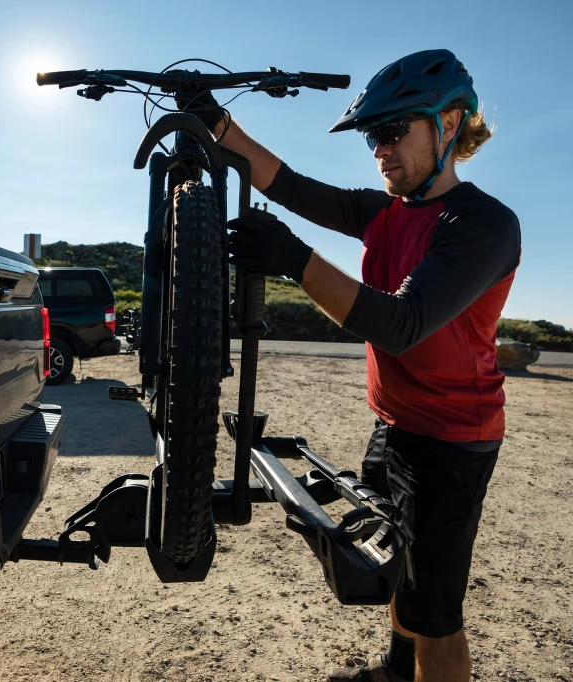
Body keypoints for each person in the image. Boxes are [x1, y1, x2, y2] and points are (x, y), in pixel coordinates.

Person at [177, 49, 520, 682]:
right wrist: (214, 123)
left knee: (437, 612)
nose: (379, 150)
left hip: (452, 441)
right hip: (395, 422)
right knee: (398, 566)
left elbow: (400, 325)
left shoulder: (484, 224)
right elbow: (290, 185)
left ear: (449, 124)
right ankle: (395, 672)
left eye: (393, 131)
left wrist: (294, 258)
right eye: (372, 136)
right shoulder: (386, 211)